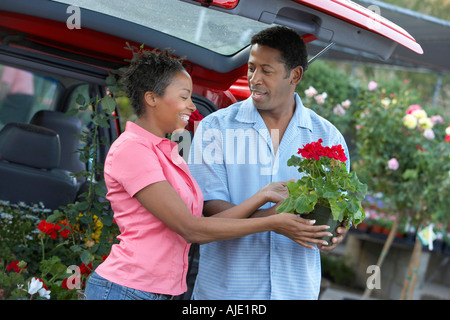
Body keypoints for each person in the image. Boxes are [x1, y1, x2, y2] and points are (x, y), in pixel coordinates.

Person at [84, 49, 331, 300]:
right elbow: (192, 230)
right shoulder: (132, 150)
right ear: (152, 98)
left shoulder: (170, 153)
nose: (192, 105)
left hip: (149, 293)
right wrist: (271, 222)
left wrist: (263, 195)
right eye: (184, 97)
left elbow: (206, 221)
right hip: (125, 290)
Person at [188, 26, 350, 300]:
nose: (254, 79)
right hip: (228, 295)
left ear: (295, 75)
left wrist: (333, 233)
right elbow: (211, 211)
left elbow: (335, 206)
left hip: (296, 291)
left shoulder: (328, 137)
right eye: (251, 68)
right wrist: (275, 219)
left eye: (266, 70)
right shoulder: (216, 128)